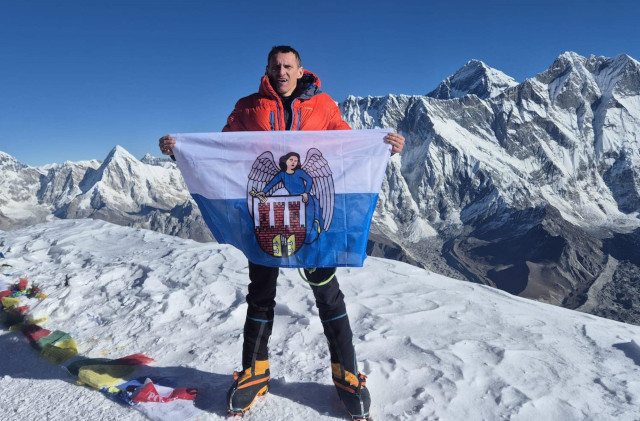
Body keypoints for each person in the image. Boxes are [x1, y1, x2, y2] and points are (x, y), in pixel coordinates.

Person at [159, 46, 405, 420]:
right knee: (260, 294)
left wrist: (383, 148)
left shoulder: (323, 106)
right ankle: (254, 374)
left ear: (300, 69)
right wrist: (183, 152)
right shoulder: (248, 107)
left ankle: (348, 374)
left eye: (288, 66)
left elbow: (344, 148)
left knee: (328, 295)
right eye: (276, 66)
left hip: (307, 222)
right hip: (266, 220)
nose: (282, 71)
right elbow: (224, 152)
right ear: (267, 70)